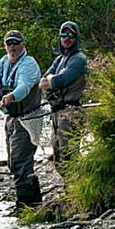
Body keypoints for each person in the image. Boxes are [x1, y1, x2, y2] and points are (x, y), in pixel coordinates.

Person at [0, 30, 43, 209]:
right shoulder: (3, 62)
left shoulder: (29, 64)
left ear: (23, 45)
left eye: (16, 42)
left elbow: (24, 86)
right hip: (11, 119)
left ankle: (25, 205)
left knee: (19, 161)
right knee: (13, 162)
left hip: (29, 118)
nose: (12, 46)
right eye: (9, 43)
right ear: (5, 46)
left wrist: (12, 96)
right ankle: (35, 203)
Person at [39, 21, 88, 163]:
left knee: (69, 155)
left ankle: (76, 183)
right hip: (56, 112)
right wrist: (50, 78)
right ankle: (69, 184)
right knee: (57, 157)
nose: (67, 38)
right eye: (63, 34)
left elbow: (59, 81)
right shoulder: (59, 59)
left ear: (76, 38)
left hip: (72, 112)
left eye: (71, 35)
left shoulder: (79, 59)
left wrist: (51, 79)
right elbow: (42, 83)